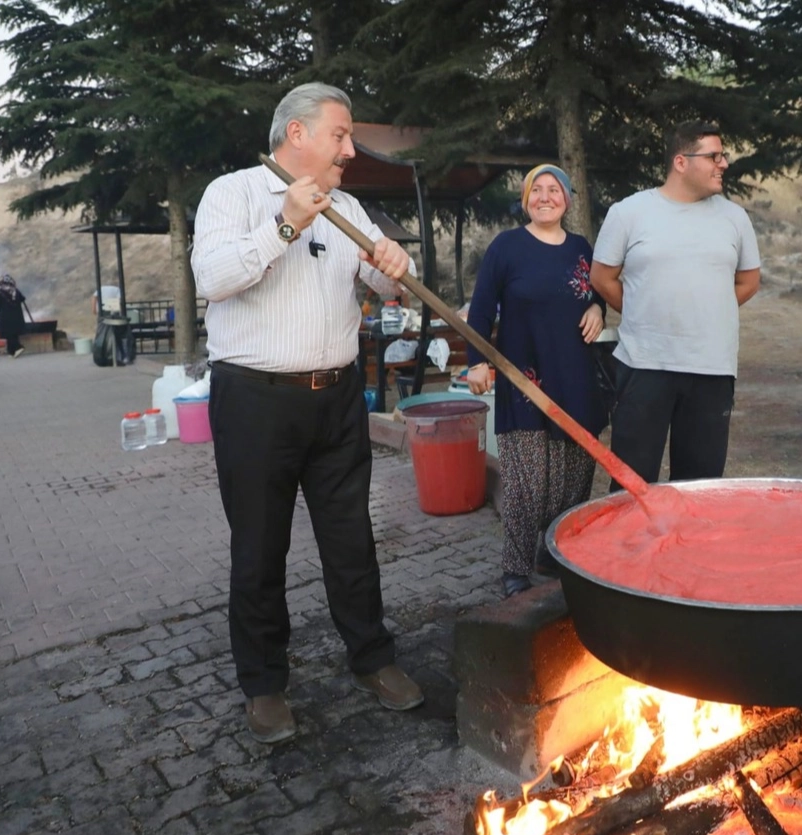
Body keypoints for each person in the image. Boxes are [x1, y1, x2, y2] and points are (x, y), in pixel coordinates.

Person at [191, 82, 423, 744]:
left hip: (339, 398)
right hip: (255, 400)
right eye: (340, 135)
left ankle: (372, 657)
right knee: (260, 544)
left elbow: (386, 281)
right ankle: (264, 683)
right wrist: (285, 224)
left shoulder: (347, 206)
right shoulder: (233, 194)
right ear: (297, 133)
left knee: (351, 537)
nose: (349, 149)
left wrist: (394, 264)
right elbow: (214, 279)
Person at [590, 121, 761, 486]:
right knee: (632, 487)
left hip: (712, 368)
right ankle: (633, 530)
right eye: (714, 156)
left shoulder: (734, 217)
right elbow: (602, 277)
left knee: (701, 487)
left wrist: (709, 309)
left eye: (723, 156)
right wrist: (642, 310)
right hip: (644, 365)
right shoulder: (629, 212)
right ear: (681, 162)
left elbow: (749, 281)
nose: (724, 164)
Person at [464, 165, 607, 598]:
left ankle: (553, 553)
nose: (545, 197)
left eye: (554, 190)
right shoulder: (507, 247)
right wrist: (477, 362)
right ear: (526, 199)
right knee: (528, 483)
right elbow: (481, 310)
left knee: (573, 481)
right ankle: (515, 569)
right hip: (524, 381)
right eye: (536, 190)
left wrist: (598, 308)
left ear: (567, 199)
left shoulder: (581, 248)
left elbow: (597, 291)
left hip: (575, 379)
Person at [0, 275, 27, 358]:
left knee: (9, 334)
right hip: (17, 317)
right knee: (14, 334)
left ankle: (18, 347)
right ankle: (11, 352)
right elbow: (23, 298)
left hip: (5, 318)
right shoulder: (15, 291)